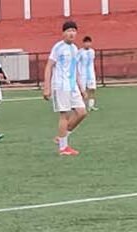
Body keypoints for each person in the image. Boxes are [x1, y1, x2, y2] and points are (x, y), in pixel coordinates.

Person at [43, 21, 88, 156]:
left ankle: (62, 137)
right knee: (64, 115)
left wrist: (82, 88)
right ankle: (63, 148)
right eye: (69, 30)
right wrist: (47, 87)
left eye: (74, 30)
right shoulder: (58, 47)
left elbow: (76, 70)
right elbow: (49, 66)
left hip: (72, 86)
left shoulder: (75, 49)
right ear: (63, 33)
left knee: (82, 112)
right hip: (61, 85)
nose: (71, 33)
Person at [77, 36, 99, 111]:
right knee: (82, 90)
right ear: (83, 43)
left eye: (89, 42)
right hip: (82, 74)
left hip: (91, 74)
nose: (88, 44)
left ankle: (91, 105)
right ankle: (81, 106)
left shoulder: (92, 51)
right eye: (86, 42)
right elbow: (76, 62)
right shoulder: (80, 52)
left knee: (92, 89)